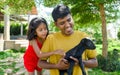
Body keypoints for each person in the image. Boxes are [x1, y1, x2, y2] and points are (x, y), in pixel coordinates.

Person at [37, 4, 98, 75]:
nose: (67, 25)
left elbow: (95, 62)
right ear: (56, 24)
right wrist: (57, 66)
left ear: (72, 17)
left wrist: (80, 62)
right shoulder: (51, 38)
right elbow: (40, 63)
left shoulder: (83, 37)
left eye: (69, 20)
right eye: (62, 23)